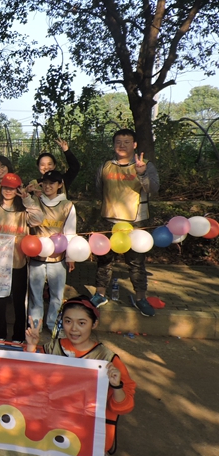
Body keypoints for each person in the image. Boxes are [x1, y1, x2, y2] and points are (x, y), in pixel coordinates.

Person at [24, 296, 135, 454]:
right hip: (50, 432)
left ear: (94, 324)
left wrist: (117, 386)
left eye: (82, 323)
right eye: (68, 321)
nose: (74, 329)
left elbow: (124, 407)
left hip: (88, 440)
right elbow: (28, 382)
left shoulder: (107, 359)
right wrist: (31, 347)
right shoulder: (51, 348)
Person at [91, 129, 160, 317]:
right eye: (118, 142)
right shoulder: (105, 166)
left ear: (135, 144)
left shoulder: (145, 165)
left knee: (136, 263)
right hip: (109, 221)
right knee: (104, 261)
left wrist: (142, 174)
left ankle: (140, 298)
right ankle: (100, 295)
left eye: (127, 142)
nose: (122, 145)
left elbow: (153, 188)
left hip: (135, 223)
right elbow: (99, 189)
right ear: (114, 144)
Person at [24, 170, 76, 332]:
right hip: (36, 256)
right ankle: (35, 325)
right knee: (35, 294)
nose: (48, 186)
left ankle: (53, 324)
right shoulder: (35, 201)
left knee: (57, 295)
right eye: (45, 183)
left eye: (52, 183)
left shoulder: (67, 205)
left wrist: (70, 256)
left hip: (58, 257)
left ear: (60, 185)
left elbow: (70, 232)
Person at [0, 172, 29, 342]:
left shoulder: (24, 211)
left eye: (12, 188)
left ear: (18, 190)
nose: (8, 191)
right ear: (1, 188)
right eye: (5, 188)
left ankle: (19, 335)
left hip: (19, 261)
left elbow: (38, 220)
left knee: (19, 301)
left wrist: (28, 201)